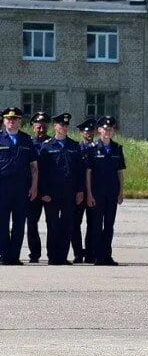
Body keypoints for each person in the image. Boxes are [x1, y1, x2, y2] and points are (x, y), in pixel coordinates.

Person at [37, 113, 85, 266]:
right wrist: (43, 192)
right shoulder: (47, 146)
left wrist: (80, 191)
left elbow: (79, 171)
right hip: (51, 193)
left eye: (66, 125)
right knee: (52, 224)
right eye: (61, 125)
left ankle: (62, 256)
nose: (63, 127)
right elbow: (41, 172)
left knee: (67, 224)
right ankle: (52, 256)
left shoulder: (74, 146)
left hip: (69, 192)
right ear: (55, 126)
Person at [1, 108, 39, 266]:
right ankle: (3, 254)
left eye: (15, 118)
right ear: (3, 121)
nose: (12, 121)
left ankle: (14, 256)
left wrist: (34, 186)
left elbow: (34, 165)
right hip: (2, 187)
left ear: (20, 121)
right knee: (1, 222)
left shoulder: (26, 140)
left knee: (19, 223)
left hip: (21, 187)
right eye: (8, 119)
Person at [85, 117, 126, 266]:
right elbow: (88, 173)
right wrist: (89, 193)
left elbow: (120, 173)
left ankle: (107, 255)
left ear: (113, 131)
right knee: (96, 224)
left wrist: (121, 192)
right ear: (99, 130)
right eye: (105, 128)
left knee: (109, 225)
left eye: (110, 129)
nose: (107, 131)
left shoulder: (117, 148)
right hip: (97, 192)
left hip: (112, 192)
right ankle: (97, 256)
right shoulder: (92, 148)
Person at [25, 110, 50, 263]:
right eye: (38, 127)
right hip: (32, 191)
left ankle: (54, 253)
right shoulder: (28, 144)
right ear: (33, 127)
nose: (41, 130)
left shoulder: (52, 143)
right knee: (31, 223)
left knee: (52, 224)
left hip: (48, 191)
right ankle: (34, 254)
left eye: (44, 127)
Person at [71, 118, 97, 263]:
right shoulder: (76, 148)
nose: (89, 133)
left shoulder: (97, 148)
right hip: (78, 191)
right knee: (75, 223)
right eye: (86, 131)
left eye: (91, 130)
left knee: (92, 224)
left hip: (93, 191)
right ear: (81, 132)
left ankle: (90, 253)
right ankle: (78, 253)